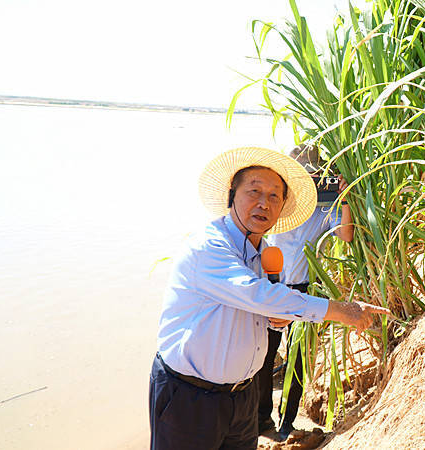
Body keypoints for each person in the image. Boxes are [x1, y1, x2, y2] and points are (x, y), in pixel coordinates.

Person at [149, 147, 389, 450]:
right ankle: (268, 418)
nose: (264, 202)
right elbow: (255, 293)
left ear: (284, 206)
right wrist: (345, 311)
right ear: (231, 195)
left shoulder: (263, 253)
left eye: (275, 196)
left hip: (241, 399)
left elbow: (257, 306)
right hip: (190, 398)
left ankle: (278, 419)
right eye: (254, 191)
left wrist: (273, 318)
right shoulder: (209, 248)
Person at [256, 144, 353, 441]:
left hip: (304, 290)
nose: (306, 181)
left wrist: (345, 198)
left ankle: (286, 423)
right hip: (271, 287)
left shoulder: (328, 204)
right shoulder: (279, 202)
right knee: (263, 357)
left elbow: (346, 236)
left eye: (311, 175)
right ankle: (262, 420)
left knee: (297, 362)